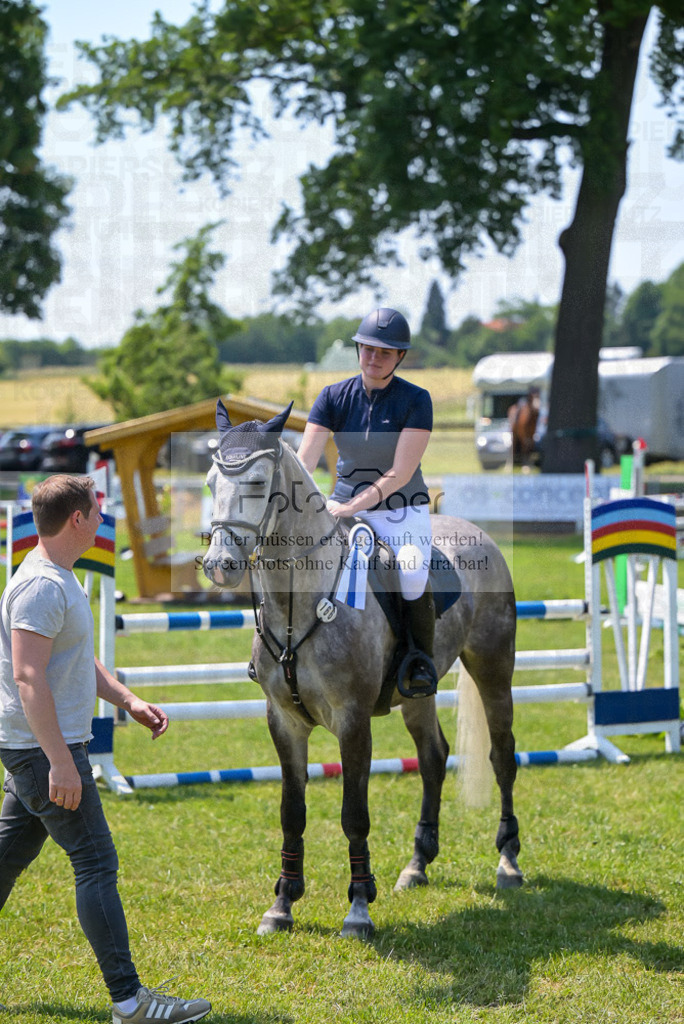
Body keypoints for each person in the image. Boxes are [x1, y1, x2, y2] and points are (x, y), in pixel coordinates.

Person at [0, 475, 211, 1024]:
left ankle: (130, 1001)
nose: (102, 520)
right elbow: (28, 677)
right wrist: (61, 762)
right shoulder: (41, 586)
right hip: (42, 751)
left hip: (37, 749)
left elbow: (73, 656)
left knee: (5, 862)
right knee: (95, 862)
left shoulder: (59, 576)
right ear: (77, 519)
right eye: (97, 512)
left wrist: (127, 699)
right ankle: (130, 1003)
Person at [297, 307, 436, 690]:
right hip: (341, 510)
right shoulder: (332, 397)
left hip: (401, 511)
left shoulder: (416, 400)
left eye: (385, 352)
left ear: (400, 356)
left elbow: (400, 472)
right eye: (368, 349)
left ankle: (417, 658)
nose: (374, 358)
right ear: (358, 349)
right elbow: (304, 462)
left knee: (411, 571)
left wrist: (351, 506)